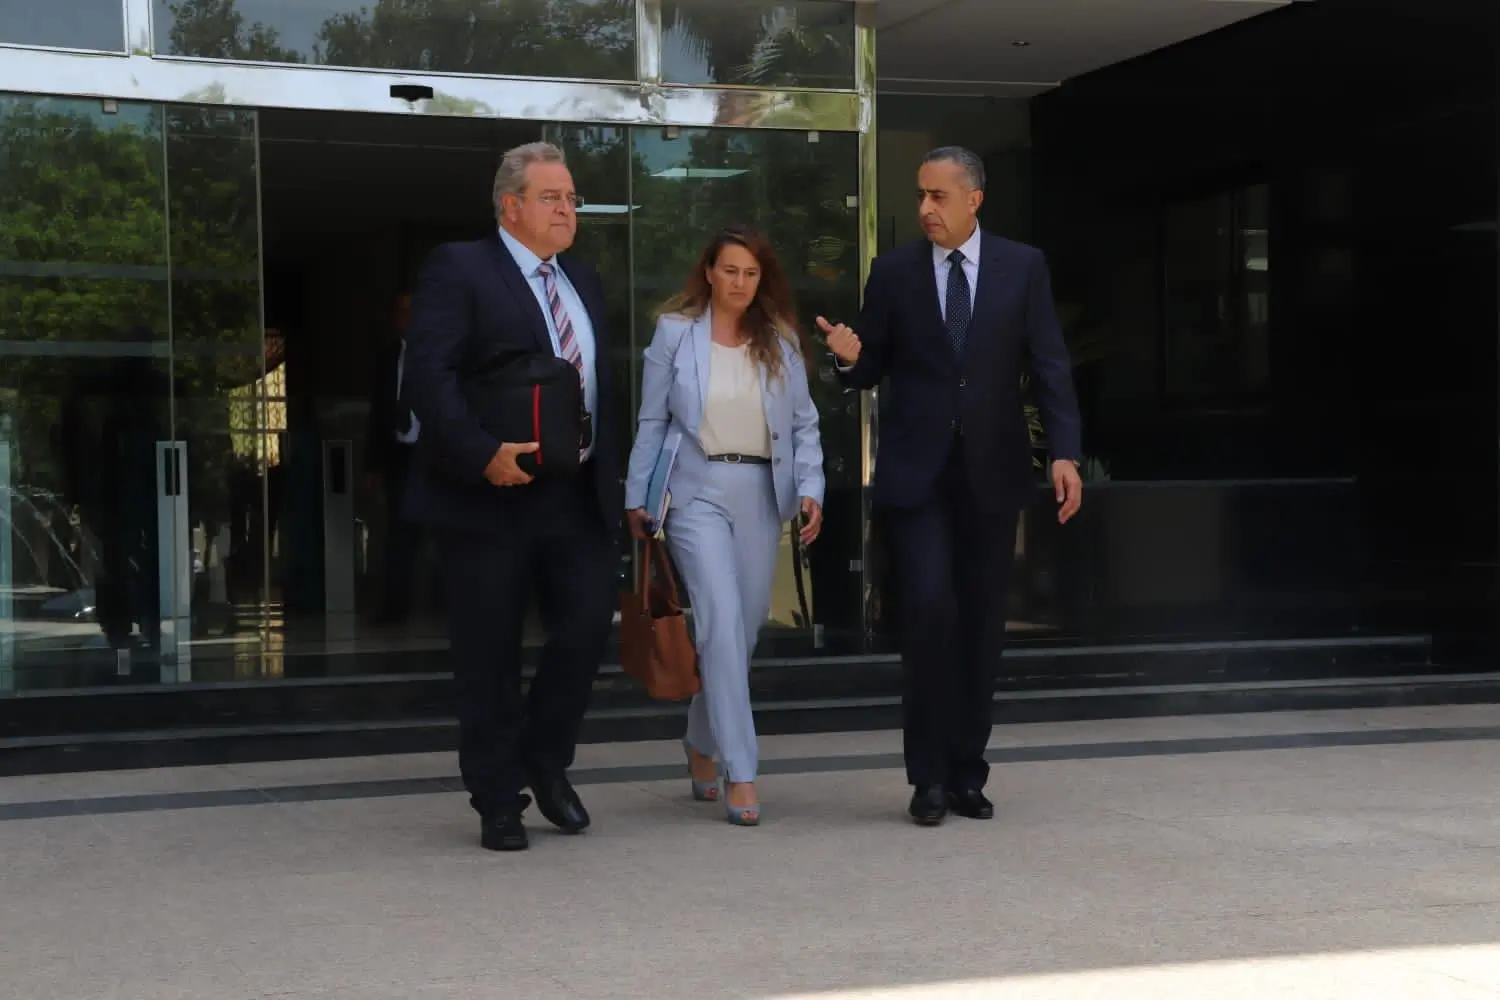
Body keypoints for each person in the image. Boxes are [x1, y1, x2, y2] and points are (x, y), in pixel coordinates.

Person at [818, 146, 1083, 827]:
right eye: (921, 195)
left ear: (974, 199)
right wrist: (848, 360)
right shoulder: (894, 272)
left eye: (938, 195)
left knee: (982, 627)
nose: (926, 209)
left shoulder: (1022, 266)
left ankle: (969, 773)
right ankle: (928, 778)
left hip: (992, 475)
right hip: (919, 479)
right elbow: (870, 364)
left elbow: (1049, 363)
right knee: (930, 613)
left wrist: (1064, 452)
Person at [401, 142, 622, 852]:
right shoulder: (461, 268)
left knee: (587, 626)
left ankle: (545, 760)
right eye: (551, 198)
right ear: (510, 206)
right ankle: (498, 798)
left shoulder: (583, 279)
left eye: (571, 199)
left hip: (574, 493)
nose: (567, 210)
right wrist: (481, 454)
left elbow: (600, 386)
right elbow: (428, 376)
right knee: (489, 653)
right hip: (487, 496)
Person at [624, 225, 825, 827]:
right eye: (730, 270)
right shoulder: (675, 333)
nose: (740, 283)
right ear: (709, 272)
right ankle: (742, 772)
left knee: (744, 630)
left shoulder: (780, 341)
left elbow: (805, 424)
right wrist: (637, 496)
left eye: (751, 273)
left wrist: (811, 488)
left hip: (762, 490)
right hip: (696, 490)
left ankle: (699, 738)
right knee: (717, 622)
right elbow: (653, 421)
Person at [364, 292, 425, 625]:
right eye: (403, 312)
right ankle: (395, 604)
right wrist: (372, 464)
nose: (408, 318)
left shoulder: (438, 356)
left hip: (432, 456)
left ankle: (449, 603)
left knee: (443, 528)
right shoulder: (386, 359)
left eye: (413, 311)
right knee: (399, 531)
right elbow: (377, 414)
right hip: (398, 454)